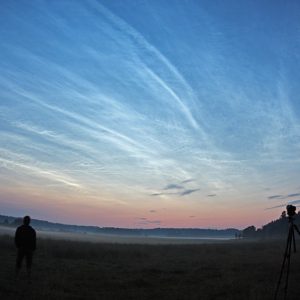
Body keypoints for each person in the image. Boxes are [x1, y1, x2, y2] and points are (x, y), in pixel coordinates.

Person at [15, 216, 36, 280]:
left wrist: (18, 246)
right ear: (29, 222)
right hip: (29, 249)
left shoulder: (19, 229)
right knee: (29, 263)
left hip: (21, 248)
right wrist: (33, 249)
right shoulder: (32, 230)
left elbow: (16, 239)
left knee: (19, 262)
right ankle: (28, 277)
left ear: (23, 221)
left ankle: (17, 277)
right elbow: (34, 241)